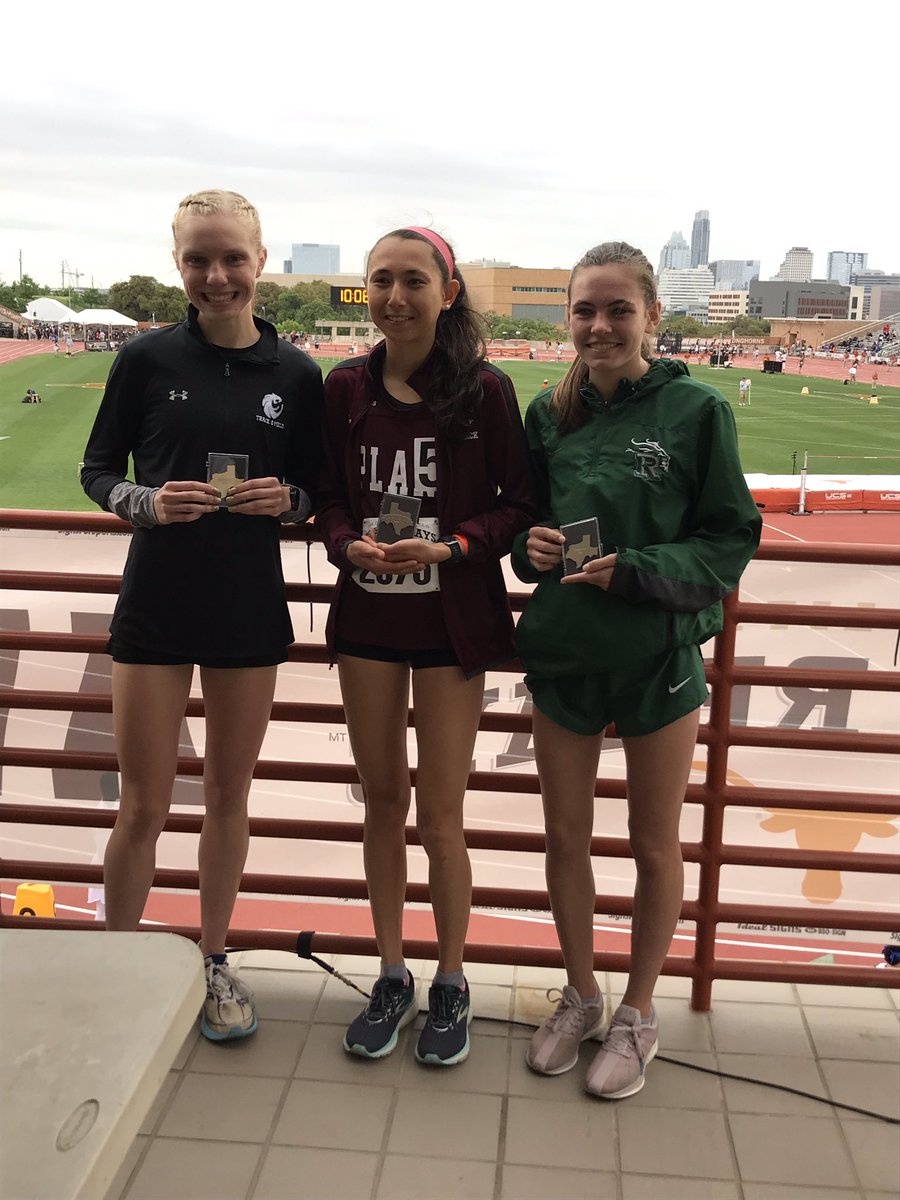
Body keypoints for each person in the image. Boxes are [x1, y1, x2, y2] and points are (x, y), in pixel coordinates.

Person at [511, 241, 761, 1100]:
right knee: (565, 837)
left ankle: (639, 1011)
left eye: (619, 309)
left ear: (652, 315)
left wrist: (639, 569)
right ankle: (581, 994)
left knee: (654, 843)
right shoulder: (547, 413)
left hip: (658, 655)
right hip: (567, 652)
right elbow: (524, 528)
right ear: (568, 317)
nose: (600, 325)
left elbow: (730, 537)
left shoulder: (698, 410)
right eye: (585, 309)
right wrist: (529, 547)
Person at [80, 189, 324, 1042]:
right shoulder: (145, 359)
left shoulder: (297, 374)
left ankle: (214, 958)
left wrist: (288, 499)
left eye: (232, 258)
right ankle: (116, 966)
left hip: (248, 609)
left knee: (227, 797)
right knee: (142, 805)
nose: (216, 276)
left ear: (260, 261)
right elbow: (98, 470)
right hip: (155, 605)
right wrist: (145, 502)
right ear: (177, 263)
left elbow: (317, 494)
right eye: (198, 259)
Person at [316, 226, 535, 1067]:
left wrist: (451, 547)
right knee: (382, 802)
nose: (395, 297)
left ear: (448, 293)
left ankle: (451, 978)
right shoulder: (344, 387)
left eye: (414, 280)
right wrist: (346, 545)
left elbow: (518, 506)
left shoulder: (486, 389)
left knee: (442, 817)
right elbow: (329, 498)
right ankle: (390, 971)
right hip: (368, 624)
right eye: (382, 280)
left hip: (453, 626)